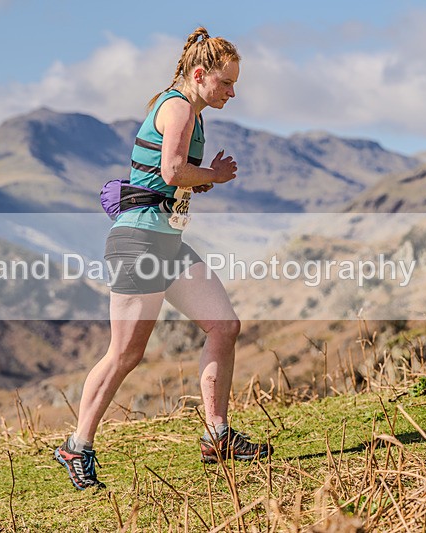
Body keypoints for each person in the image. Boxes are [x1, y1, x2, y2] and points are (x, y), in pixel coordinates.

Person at [54, 27, 273, 491]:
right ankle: (77, 445)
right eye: (227, 83)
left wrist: (205, 179)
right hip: (140, 242)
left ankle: (218, 437)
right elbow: (173, 171)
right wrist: (211, 174)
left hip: (166, 242)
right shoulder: (177, 107)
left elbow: (168, 177)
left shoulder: (189, 111)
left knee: (224, 325)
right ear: (200, 74)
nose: (233, 92)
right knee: (126, 353)